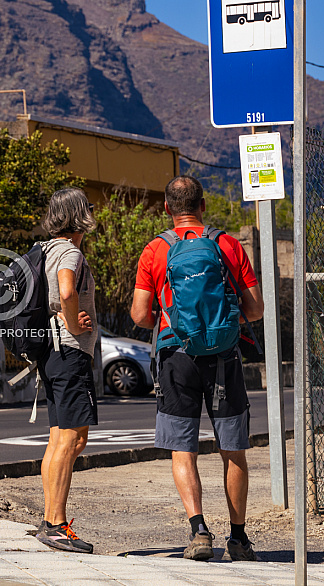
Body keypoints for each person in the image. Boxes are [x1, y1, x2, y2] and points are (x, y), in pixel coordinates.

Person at [130, 175, 264, 562]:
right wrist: (221, 322)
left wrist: (171, 314)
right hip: (223, 356)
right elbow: (254, 310)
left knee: (182, 449)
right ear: (203, 206)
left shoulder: (154, 250)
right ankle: (238, 539)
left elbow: (140, 315)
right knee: (233, 448)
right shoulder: (227, 244)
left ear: (167, 208)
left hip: (176, 356)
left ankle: (199, 531)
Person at [35, 187, 99, 554]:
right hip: (69, 352)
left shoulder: (46, 248)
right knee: (74, 439)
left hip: (52, 353)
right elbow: (65, 290)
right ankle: (56, 525)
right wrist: (75, 324)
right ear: (79, 214)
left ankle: (49, 519)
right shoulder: (69, 251)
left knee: (59, 438)